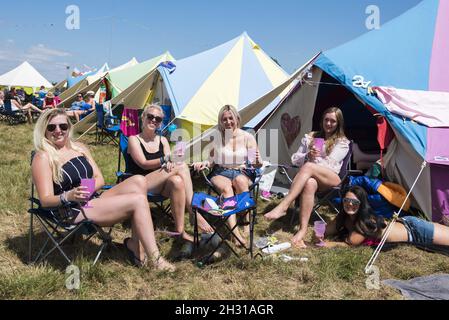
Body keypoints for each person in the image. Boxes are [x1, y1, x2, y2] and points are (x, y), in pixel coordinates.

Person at [31, 109, 175, 271]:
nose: (58, 131)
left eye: (63, 126)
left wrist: (85, 190)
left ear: (69, 127)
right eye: (52, 127)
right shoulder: (43, 157)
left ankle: (136, 244)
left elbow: (99, 178)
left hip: (90, 199)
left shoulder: (79, 147)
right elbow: (45, 199)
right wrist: (70, 195)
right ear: (44, 129)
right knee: (139, 200)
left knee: (139, 180)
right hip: (70, 209)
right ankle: (155, 260)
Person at [127, 104, 213, 245]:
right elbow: (143, 163)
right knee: (181, 165)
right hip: (140, 183)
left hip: (160, 184)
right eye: (150, 116)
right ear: (143, 117)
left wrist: (170, 162)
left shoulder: (163, 140)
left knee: (177, 181)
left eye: (158, 119)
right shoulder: (134, 139)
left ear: (161, 123)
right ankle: (193, 212)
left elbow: (171, 160)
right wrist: (165, 160)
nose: (154, 120)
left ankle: (180, 231)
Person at [264, 107, 350, 248]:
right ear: (322, 120)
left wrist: (315, 159)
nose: (328, 124)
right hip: (312, 177)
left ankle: (284, 205)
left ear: (338, 123)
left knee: (308, 167)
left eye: (333, 121)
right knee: (310, 182)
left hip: (332, 178)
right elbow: (294, 159)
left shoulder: (342, 142)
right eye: (326, 120)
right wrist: (307, 155)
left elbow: (331, 165)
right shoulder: (312, 137)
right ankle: (302, 230)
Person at [193, 104, 263, 247]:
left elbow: (256, 164)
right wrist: (203, 163)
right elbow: (211, 161)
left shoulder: (247, 137)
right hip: (221, 171)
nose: (228, 122)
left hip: (242, 171)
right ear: (221, 121)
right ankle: (234, 232)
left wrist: (257, 161)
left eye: (231, 118)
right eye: (224, 119)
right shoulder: (217, 137)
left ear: (237, 118)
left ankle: (245, 223)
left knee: (240, 182)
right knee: (226, 189)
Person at [321, 186, 449, 248]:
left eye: (354, 202)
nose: (349, 204)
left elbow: (349, 244)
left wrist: (322, 245)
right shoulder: (344, 217)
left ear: (361, 205)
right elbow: (325, 230)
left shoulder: (366, 221)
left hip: (415, 231)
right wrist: (318, 235)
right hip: (407, 225)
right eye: (346, 200)